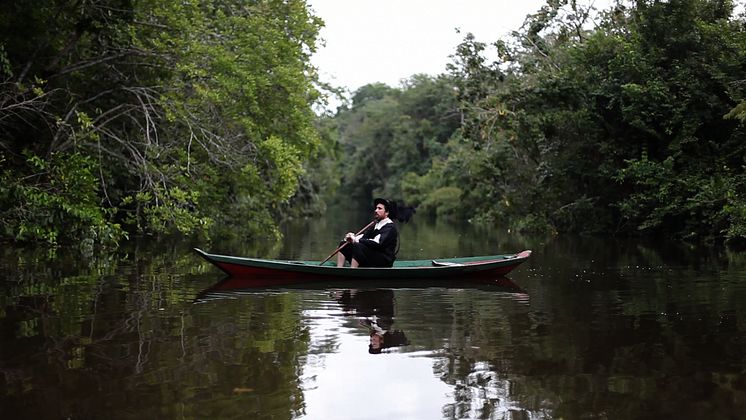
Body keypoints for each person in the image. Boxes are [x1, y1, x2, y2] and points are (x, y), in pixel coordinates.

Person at [336, 198, 399, 268]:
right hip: (373, 257)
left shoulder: (390, 227)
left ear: (387, 213)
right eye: (376, 208)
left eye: (379, 208)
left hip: (384, 261)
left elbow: (377, 243)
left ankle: (352, 271)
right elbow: (364, 237)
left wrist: (356, 240)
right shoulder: (376, 224)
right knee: (344, 244)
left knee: (358, 246)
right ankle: (339, 269)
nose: (376, 210)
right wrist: (351, 238)